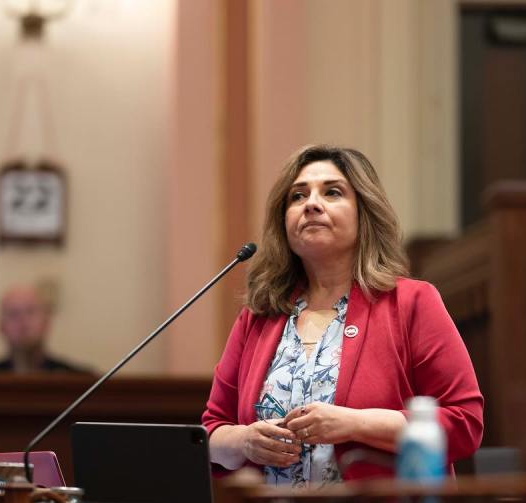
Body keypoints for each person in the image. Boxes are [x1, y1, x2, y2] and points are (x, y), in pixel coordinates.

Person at [203, 144, 483, 485]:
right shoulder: (259, 316)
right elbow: (210, 433)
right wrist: (244, 442)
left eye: (332, 192)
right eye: (297, 196)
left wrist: (354, 424)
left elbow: (464, 423)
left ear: (364, 213)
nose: (311, 204)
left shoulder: (412, 303)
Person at [0, 284, 92, 374]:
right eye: (13, 314)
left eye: (30, 312)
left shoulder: (81, 381)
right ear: (1, 326)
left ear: (47, 322)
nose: (23, 321)